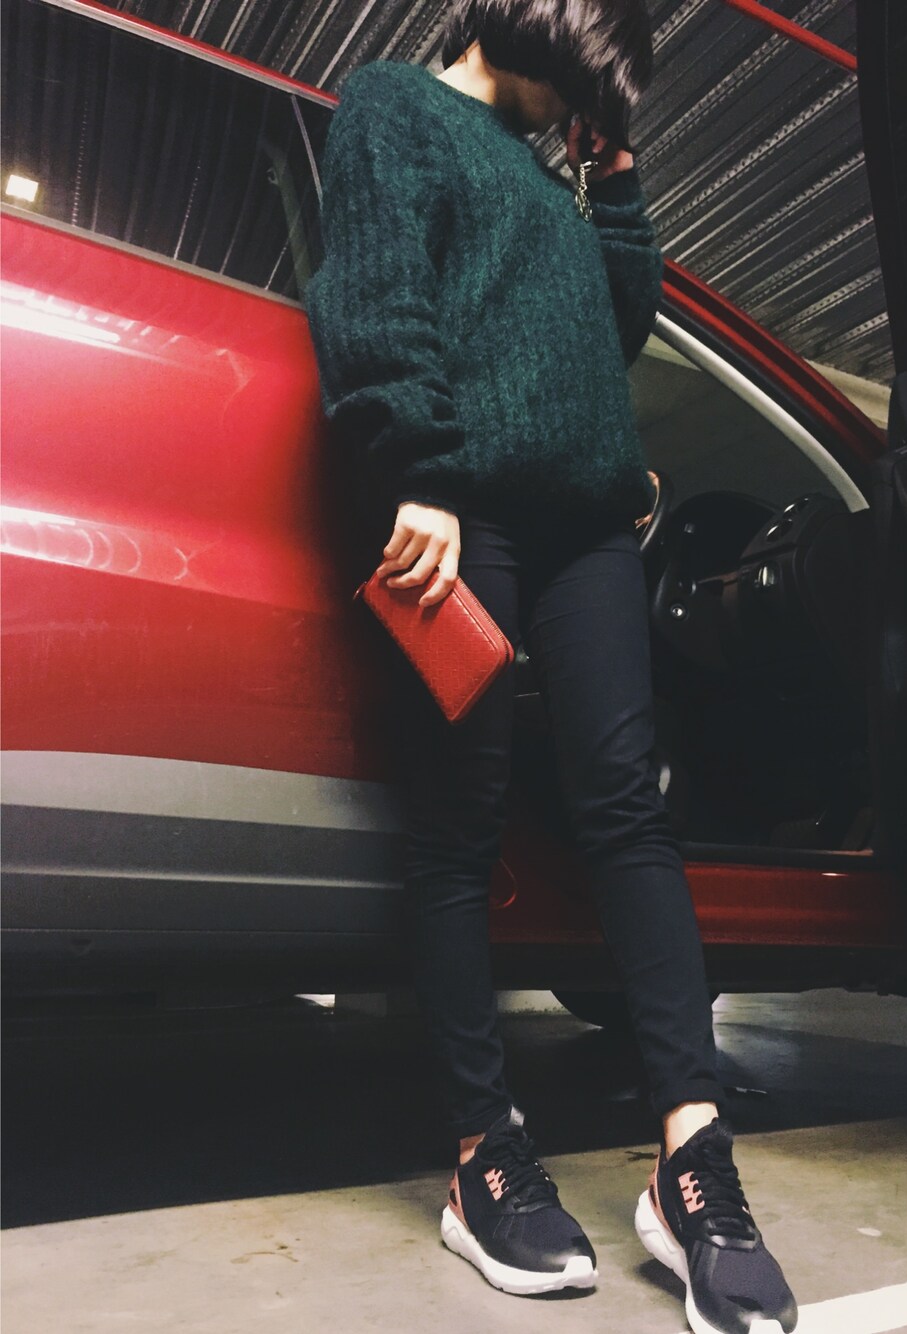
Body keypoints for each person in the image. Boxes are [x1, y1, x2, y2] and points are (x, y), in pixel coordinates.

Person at [305, 2, 797, 1330]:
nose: (589, 112)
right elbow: (373, 288)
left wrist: (617, 182)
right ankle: (483, 1156)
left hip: (588, 532)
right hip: (466, 511)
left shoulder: (554, 179)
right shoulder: (396, 106)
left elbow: (614, 328)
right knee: (458, 827)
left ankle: (693, 1158)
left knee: (629, 813)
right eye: (593, 85)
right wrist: (416, 470)